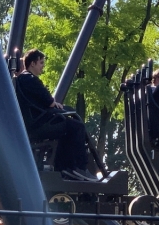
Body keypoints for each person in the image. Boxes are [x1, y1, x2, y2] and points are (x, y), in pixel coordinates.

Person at [14, 49, 97, 181]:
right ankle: (80, 168)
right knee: (77, 126)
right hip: (38, 125)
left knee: (65, 129)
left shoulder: (21, 80)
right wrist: (55, 104)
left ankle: (64, 167)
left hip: (33, 123)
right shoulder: (30, 79)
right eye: (41, 63)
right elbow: (49, 101)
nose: (43, 66)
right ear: (33, 63)